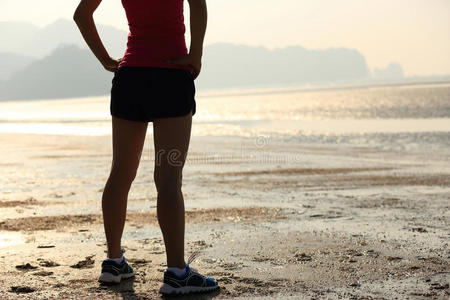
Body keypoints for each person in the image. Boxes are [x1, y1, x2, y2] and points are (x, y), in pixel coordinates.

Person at [73, 0, 218, 295]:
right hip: (171, 74)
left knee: (120, 173)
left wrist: (105, 59)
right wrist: (196, 54)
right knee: (168, 180)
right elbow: (198, 4)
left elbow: (81, 14)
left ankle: (113, 262)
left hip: (131, 78)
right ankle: (177, 272)